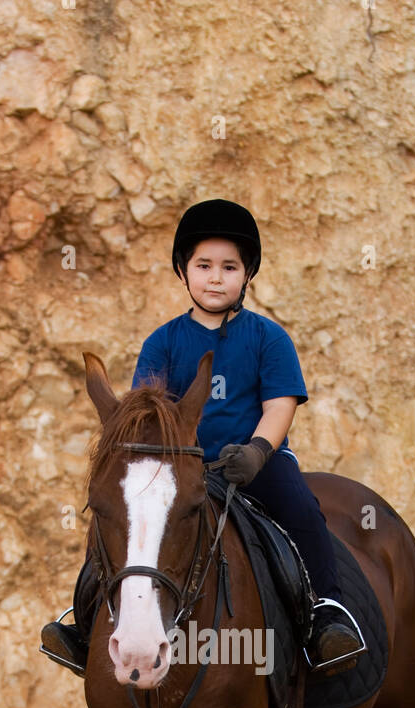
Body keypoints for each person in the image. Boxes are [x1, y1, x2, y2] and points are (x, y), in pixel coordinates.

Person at [41, 198, 364, 676]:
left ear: (247, 273)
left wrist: (256, 453)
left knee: (302, 509)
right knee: (123, 521)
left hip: (255, 464)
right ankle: (85, 618)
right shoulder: (164, 342)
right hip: (180, 468)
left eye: (229, 267)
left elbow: (280, 405)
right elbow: (148, 414)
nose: (216, 277)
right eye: (204, 265)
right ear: (183, 270)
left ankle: (326, 614)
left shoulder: (268, 338)